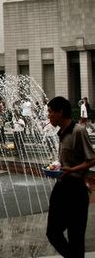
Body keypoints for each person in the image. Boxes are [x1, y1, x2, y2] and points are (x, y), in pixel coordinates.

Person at [46, 96, 95, 257]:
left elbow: (92, 159)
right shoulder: (61, 132)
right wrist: (58, 167)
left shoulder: (78, 131)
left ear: (60, 112)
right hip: (62, 186)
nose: (48, 115)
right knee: (53, 233)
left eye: (50, 112)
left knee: (76, 238)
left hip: (76, 189)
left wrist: (72, 169)